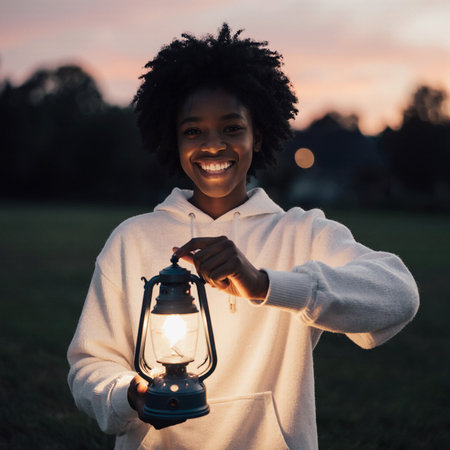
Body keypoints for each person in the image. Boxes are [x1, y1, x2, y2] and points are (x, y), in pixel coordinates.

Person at [67, 24, 419, 449]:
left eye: (232, 128)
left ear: (259, 134)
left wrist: (267, 284)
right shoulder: (133, 239)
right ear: (172, 139)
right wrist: (130, 395)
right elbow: (90, 363)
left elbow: (399, 293)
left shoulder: (300, 232)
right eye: (193, 131)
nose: (213, 146)